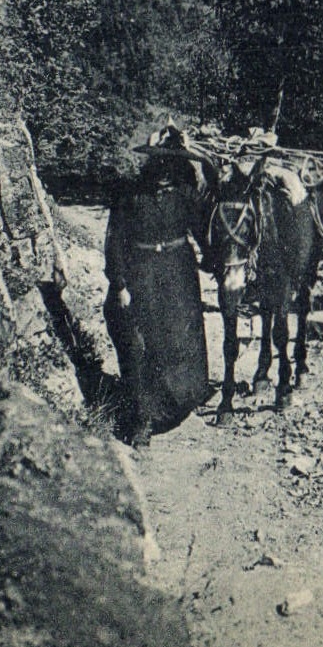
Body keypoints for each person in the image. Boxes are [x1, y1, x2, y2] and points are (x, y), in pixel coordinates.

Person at [104, 123, 211, 446]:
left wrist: (214, 259)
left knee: (178, 338)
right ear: (149, 162)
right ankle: (142, 418)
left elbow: (204, 231)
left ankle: (176, 401)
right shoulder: (130, 196)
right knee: (141, 342)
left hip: (179, 272)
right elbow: (115, 240)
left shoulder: (185, 195)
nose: (164, 167)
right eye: (158, 161)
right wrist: (119, 283)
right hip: (142, 273)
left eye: (171, 161)